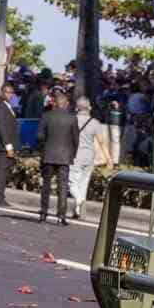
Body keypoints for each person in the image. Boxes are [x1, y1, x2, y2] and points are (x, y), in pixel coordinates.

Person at [37, 90, 78, 226]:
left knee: (46, 186)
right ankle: (61, 217)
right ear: (65, 104)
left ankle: (43, 213)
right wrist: (72, 155)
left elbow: (40, 137)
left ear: (54, 103)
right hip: (64, 155)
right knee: (63, 186)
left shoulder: (46, 116)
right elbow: (75, 140)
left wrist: (44, 148)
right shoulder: (72, 118)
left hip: (49, 153)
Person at [69, 96, 108, 219]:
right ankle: (78, 211)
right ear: (89, 107)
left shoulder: (72, 120)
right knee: (83, 183)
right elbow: (102, 142)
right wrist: (109, 158)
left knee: (72, 182)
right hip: (89, 156)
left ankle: (79, 201)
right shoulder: (95, 123)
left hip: (75, 155)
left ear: (76, 108)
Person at [0, 83, 18, 205]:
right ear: (2, 92)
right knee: (1, 171)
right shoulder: (0, 106)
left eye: (11, 92)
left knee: (2, 171)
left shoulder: (7, 105)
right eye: (7, 92)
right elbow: (1, 127)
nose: (9, 95)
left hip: (5, 144)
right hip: (2, 145)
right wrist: (8, 146)